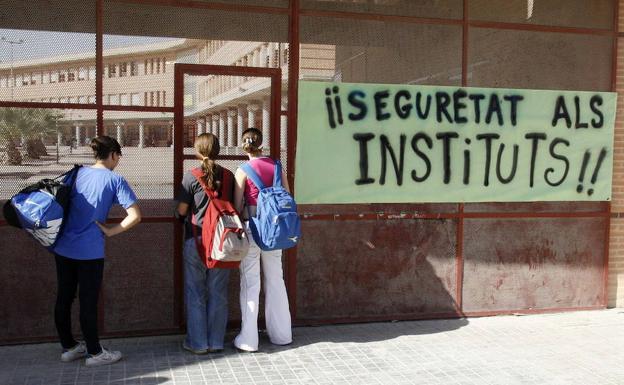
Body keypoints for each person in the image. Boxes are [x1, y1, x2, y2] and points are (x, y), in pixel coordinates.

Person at [52, 136, 141, 366]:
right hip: (90, 251)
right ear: (113, 155)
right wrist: (111, 231)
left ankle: (69, 347)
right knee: (88, 302)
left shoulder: (77, 173)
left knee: (64, 297)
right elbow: (135, 216)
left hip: (63, 247)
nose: (118, 161)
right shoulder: (115, 179)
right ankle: (94, 353)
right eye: (118, 156)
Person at [233, 127, 292, 352]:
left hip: (253, 228)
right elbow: (287, 195)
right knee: (276, 279)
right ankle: (282, 334)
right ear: (261, 143)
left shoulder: (243, 170)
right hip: (275, 231)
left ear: (243, 145)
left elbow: (238, 205)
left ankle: (249, 339)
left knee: (250, 282)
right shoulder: (277, 166)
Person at [175, 133, 233, 354]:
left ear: (198, 150)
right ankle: (216, 342)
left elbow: (181, 210)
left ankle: (198, 343)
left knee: (195, 292)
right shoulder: (228, 176)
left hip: (196, 240)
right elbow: (234, 205)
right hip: (222, 243)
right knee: (218, 293)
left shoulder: (191, 177)